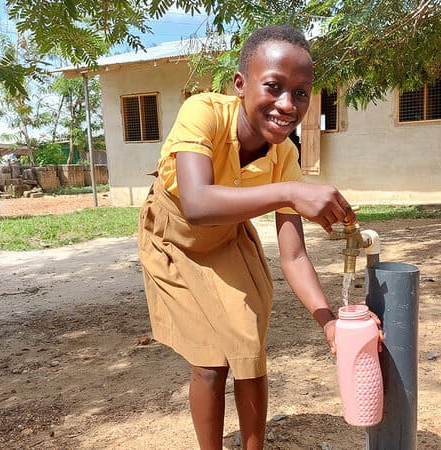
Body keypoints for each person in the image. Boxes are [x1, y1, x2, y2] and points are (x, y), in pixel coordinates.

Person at [138, 25, 378, 449]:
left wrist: (329, 323)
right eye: (273, 87)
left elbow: (295, 256)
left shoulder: (285, 154)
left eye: (301, 93)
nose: (287, 105)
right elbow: (195, 202)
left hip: (228, 239)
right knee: (210, 363)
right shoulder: (204, 112)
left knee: (249, 354)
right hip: (173, 239)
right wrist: (289, 192)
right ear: (240, 85)